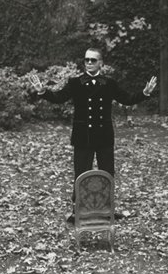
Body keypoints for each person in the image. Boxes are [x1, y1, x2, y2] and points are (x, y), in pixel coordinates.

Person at [29, 47, 157, 223]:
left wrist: (145, 93)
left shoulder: (109, 83)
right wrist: (43, 91)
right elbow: (59, 98)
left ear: (100, 63)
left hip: (104, 135)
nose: (89, 63)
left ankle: (107, 209)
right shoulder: (75, 83)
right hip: (83, 136)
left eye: (93, 60)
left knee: (107, 173)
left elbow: (126, 99)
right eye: (86, 60)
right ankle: (77, 210)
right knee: (81, 172)